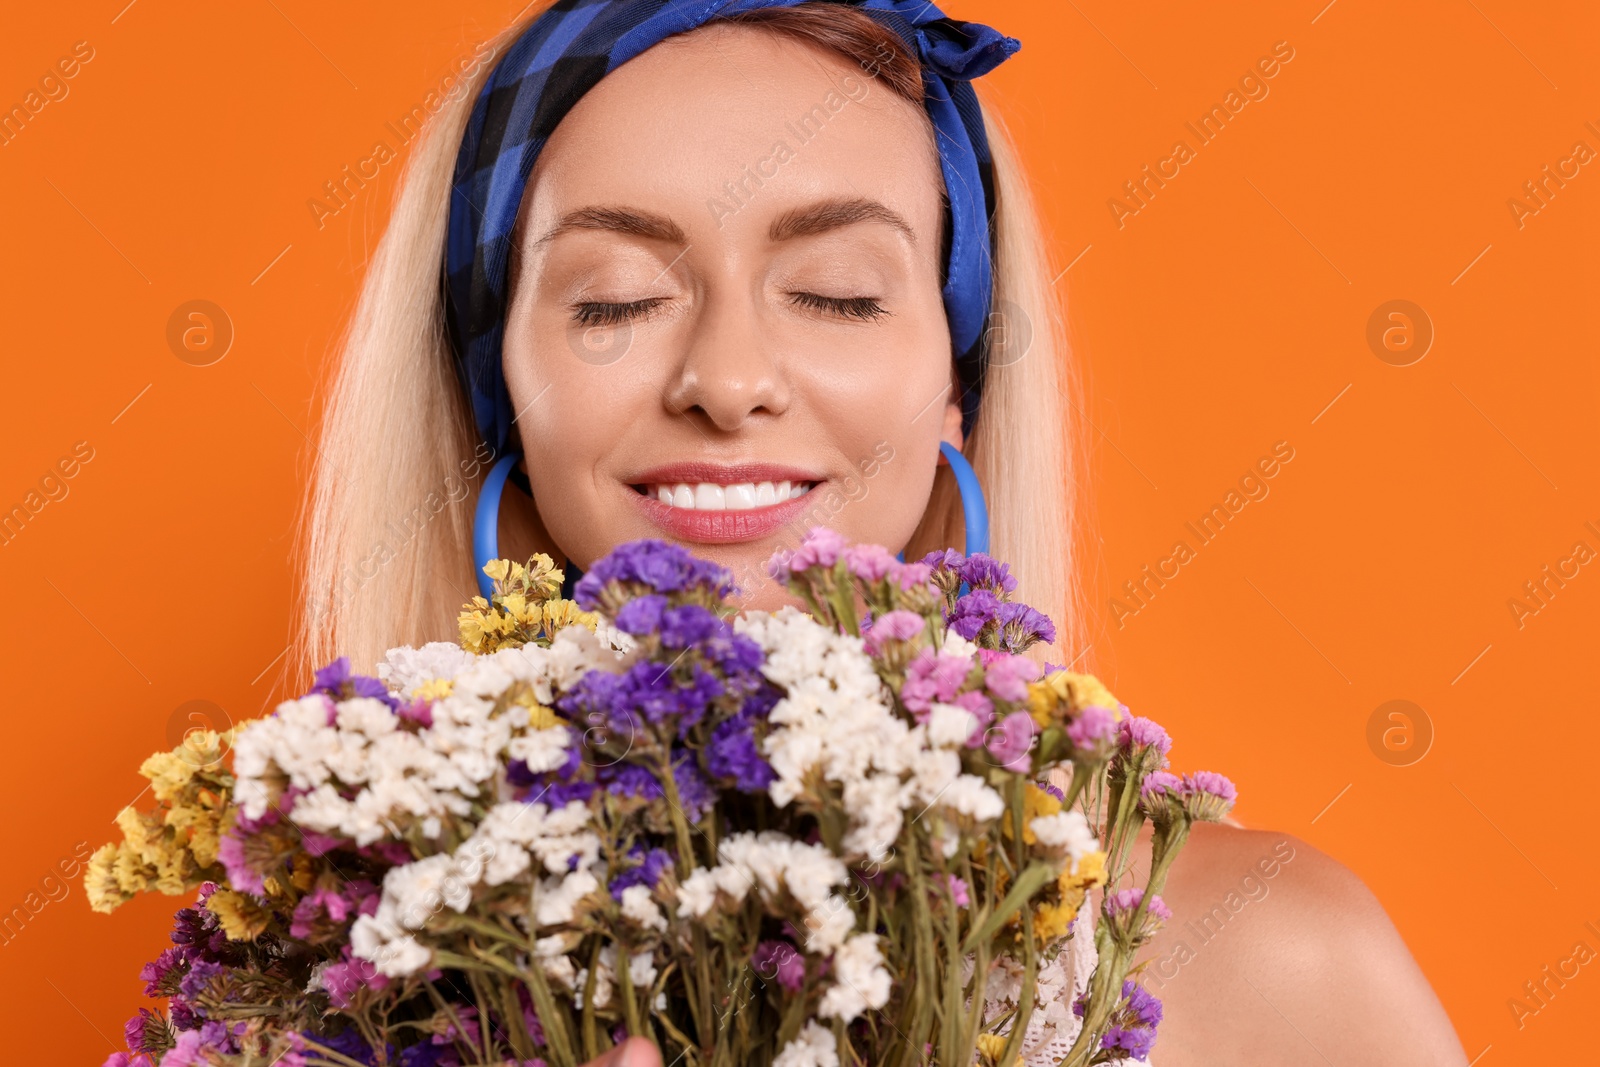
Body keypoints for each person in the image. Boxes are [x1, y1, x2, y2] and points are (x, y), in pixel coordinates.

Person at [299, 1, 1467, 1062]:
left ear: (955, 383)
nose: (727, 378)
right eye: (613, 299)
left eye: (839, 292)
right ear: (497, 390)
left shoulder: (1271, 960)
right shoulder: (332, 995)